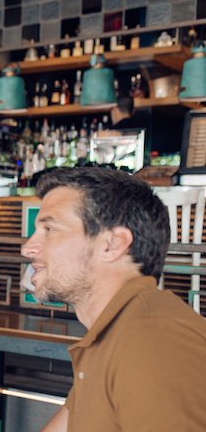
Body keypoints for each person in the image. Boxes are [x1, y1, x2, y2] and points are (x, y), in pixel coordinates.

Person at [22, 167, 206, 432]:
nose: (27, 248)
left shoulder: (153, 339)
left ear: (112, 244)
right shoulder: (110, 334)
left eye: (49, 228)